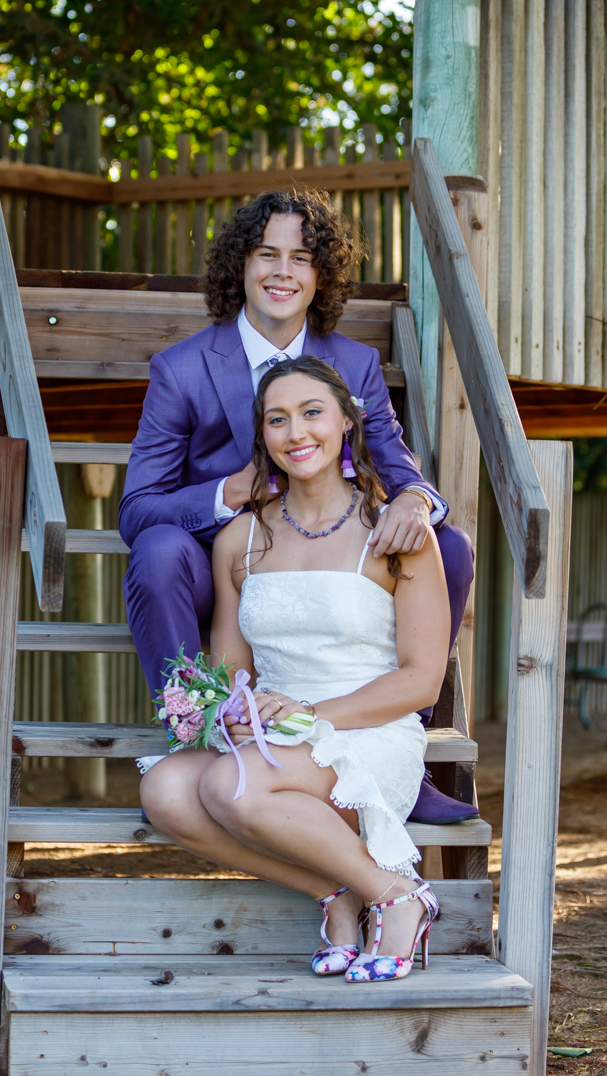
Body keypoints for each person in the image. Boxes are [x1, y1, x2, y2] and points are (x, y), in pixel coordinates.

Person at [119, 188, 476, 823]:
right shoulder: (182, 369)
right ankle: (197, 732)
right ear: (241, 267)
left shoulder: (356, 364)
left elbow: (395, 466)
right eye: (267, 254)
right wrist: (232, 492)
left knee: (444, 542)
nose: (283, 270)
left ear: (321, 276)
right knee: (157, 548)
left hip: (331, 543)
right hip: (224, 563)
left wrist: (417, 500)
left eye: (303, 258)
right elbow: (138, 509)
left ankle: (400, 747)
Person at [140, 357, 445, 982]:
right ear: (263, 439)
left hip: (365, 733)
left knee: (233, 786)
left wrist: (311, 715)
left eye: (312, 413)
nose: (296, 432)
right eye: (277, 420)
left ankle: (396, 895)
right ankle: (334, 893)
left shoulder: (394, 531)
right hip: (278, 735)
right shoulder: (242, 538)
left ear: (346, 423)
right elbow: (232, 665)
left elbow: (421, 681)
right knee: (165, 791)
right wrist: (227, 707)